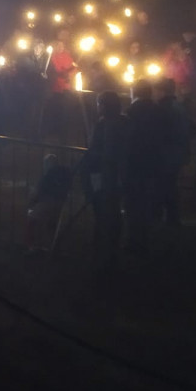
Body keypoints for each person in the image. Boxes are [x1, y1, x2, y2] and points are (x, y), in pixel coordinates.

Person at [82, 92, 129, 275]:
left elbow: (108, 153)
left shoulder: (109, 124)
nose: (97, 106)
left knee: (105, 214)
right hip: (115, 177)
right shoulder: (123, 122)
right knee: (111, 213)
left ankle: (106, 255)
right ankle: (108, 249)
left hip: (105, 176)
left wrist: (92, 154)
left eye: (99, 103)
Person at [124, 79, 165, 251]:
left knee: (134, 200)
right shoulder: (158, 110)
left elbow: (129, 136)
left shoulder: (133, 110)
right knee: (148, 196)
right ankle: (149, 233)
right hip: (153, 159)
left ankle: (135, 238)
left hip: (135, 160)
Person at [156, 78, 195, 229]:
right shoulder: (179, 107)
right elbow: (191, 128)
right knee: (171, 185)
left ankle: (167, 218)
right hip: (177, 153)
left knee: (164, 186)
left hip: (166, 154)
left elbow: (160, 134)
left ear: (161, 91)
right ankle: (172, 217)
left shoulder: (163, 109)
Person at [25, 154, 72, 252]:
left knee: (31, 217)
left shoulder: (48, 175)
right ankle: (47, 246)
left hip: (49, 203)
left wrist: (29, 204)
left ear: (47, 164)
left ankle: (32, 246)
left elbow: (35, 193)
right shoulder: (64, 173)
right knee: (47, 221)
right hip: (61, 204)